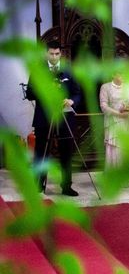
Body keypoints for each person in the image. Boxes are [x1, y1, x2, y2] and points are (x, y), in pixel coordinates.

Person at [25, 40, 82, 196]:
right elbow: (29, 93)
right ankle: (38, 184)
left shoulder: (68, 70)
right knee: (41, 152)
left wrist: (71, 101)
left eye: (57, 54)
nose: (55, 57)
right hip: (44, 117)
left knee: (66, 152)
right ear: (46, 53)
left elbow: (77, 93)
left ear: (60, 53)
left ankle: (66, 186)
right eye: (51, 53)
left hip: (65, 117)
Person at [99, 72, 129, 169]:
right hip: (113, 121)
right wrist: (118, 113)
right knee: (115, 147)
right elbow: (103, 105)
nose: (123, 76)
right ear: (113, 75)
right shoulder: (105, 87)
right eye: (120, 74)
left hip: (126, 121)